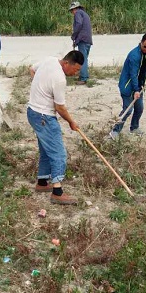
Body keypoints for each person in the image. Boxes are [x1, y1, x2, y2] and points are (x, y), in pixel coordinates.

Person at [27, 51, 85, 205]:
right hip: (44, 117)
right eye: (76, 69)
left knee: (46, 149)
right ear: (67, 63)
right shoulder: (59, 79)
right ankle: (57, 192)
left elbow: (31, 69)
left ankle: (42, 182)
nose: (76, 73)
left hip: (32, 112)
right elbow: (60, 108)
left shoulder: (49, 59)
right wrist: (71, 122)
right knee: (58, 153)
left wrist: (40, 90)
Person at [109, 32, 146, 140]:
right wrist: (136, 90)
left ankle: (134, 127)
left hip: (139, 86)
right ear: (141, 42)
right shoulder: (134, 56)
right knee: (128, 110)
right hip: (128, 86)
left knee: (139, 108)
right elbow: (133, 75)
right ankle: (115, 131)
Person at [69, 1, 93, 85]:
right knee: (84, 58)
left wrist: (74, 35)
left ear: (75, 8)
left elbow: (79, 24)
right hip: (88, 40)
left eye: (72, 10)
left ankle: (83, 78)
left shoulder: (78, 13)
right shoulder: (85, 14)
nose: (72, 12)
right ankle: (83, 75)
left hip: (82, 39)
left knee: (83, 59)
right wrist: (76, 41)